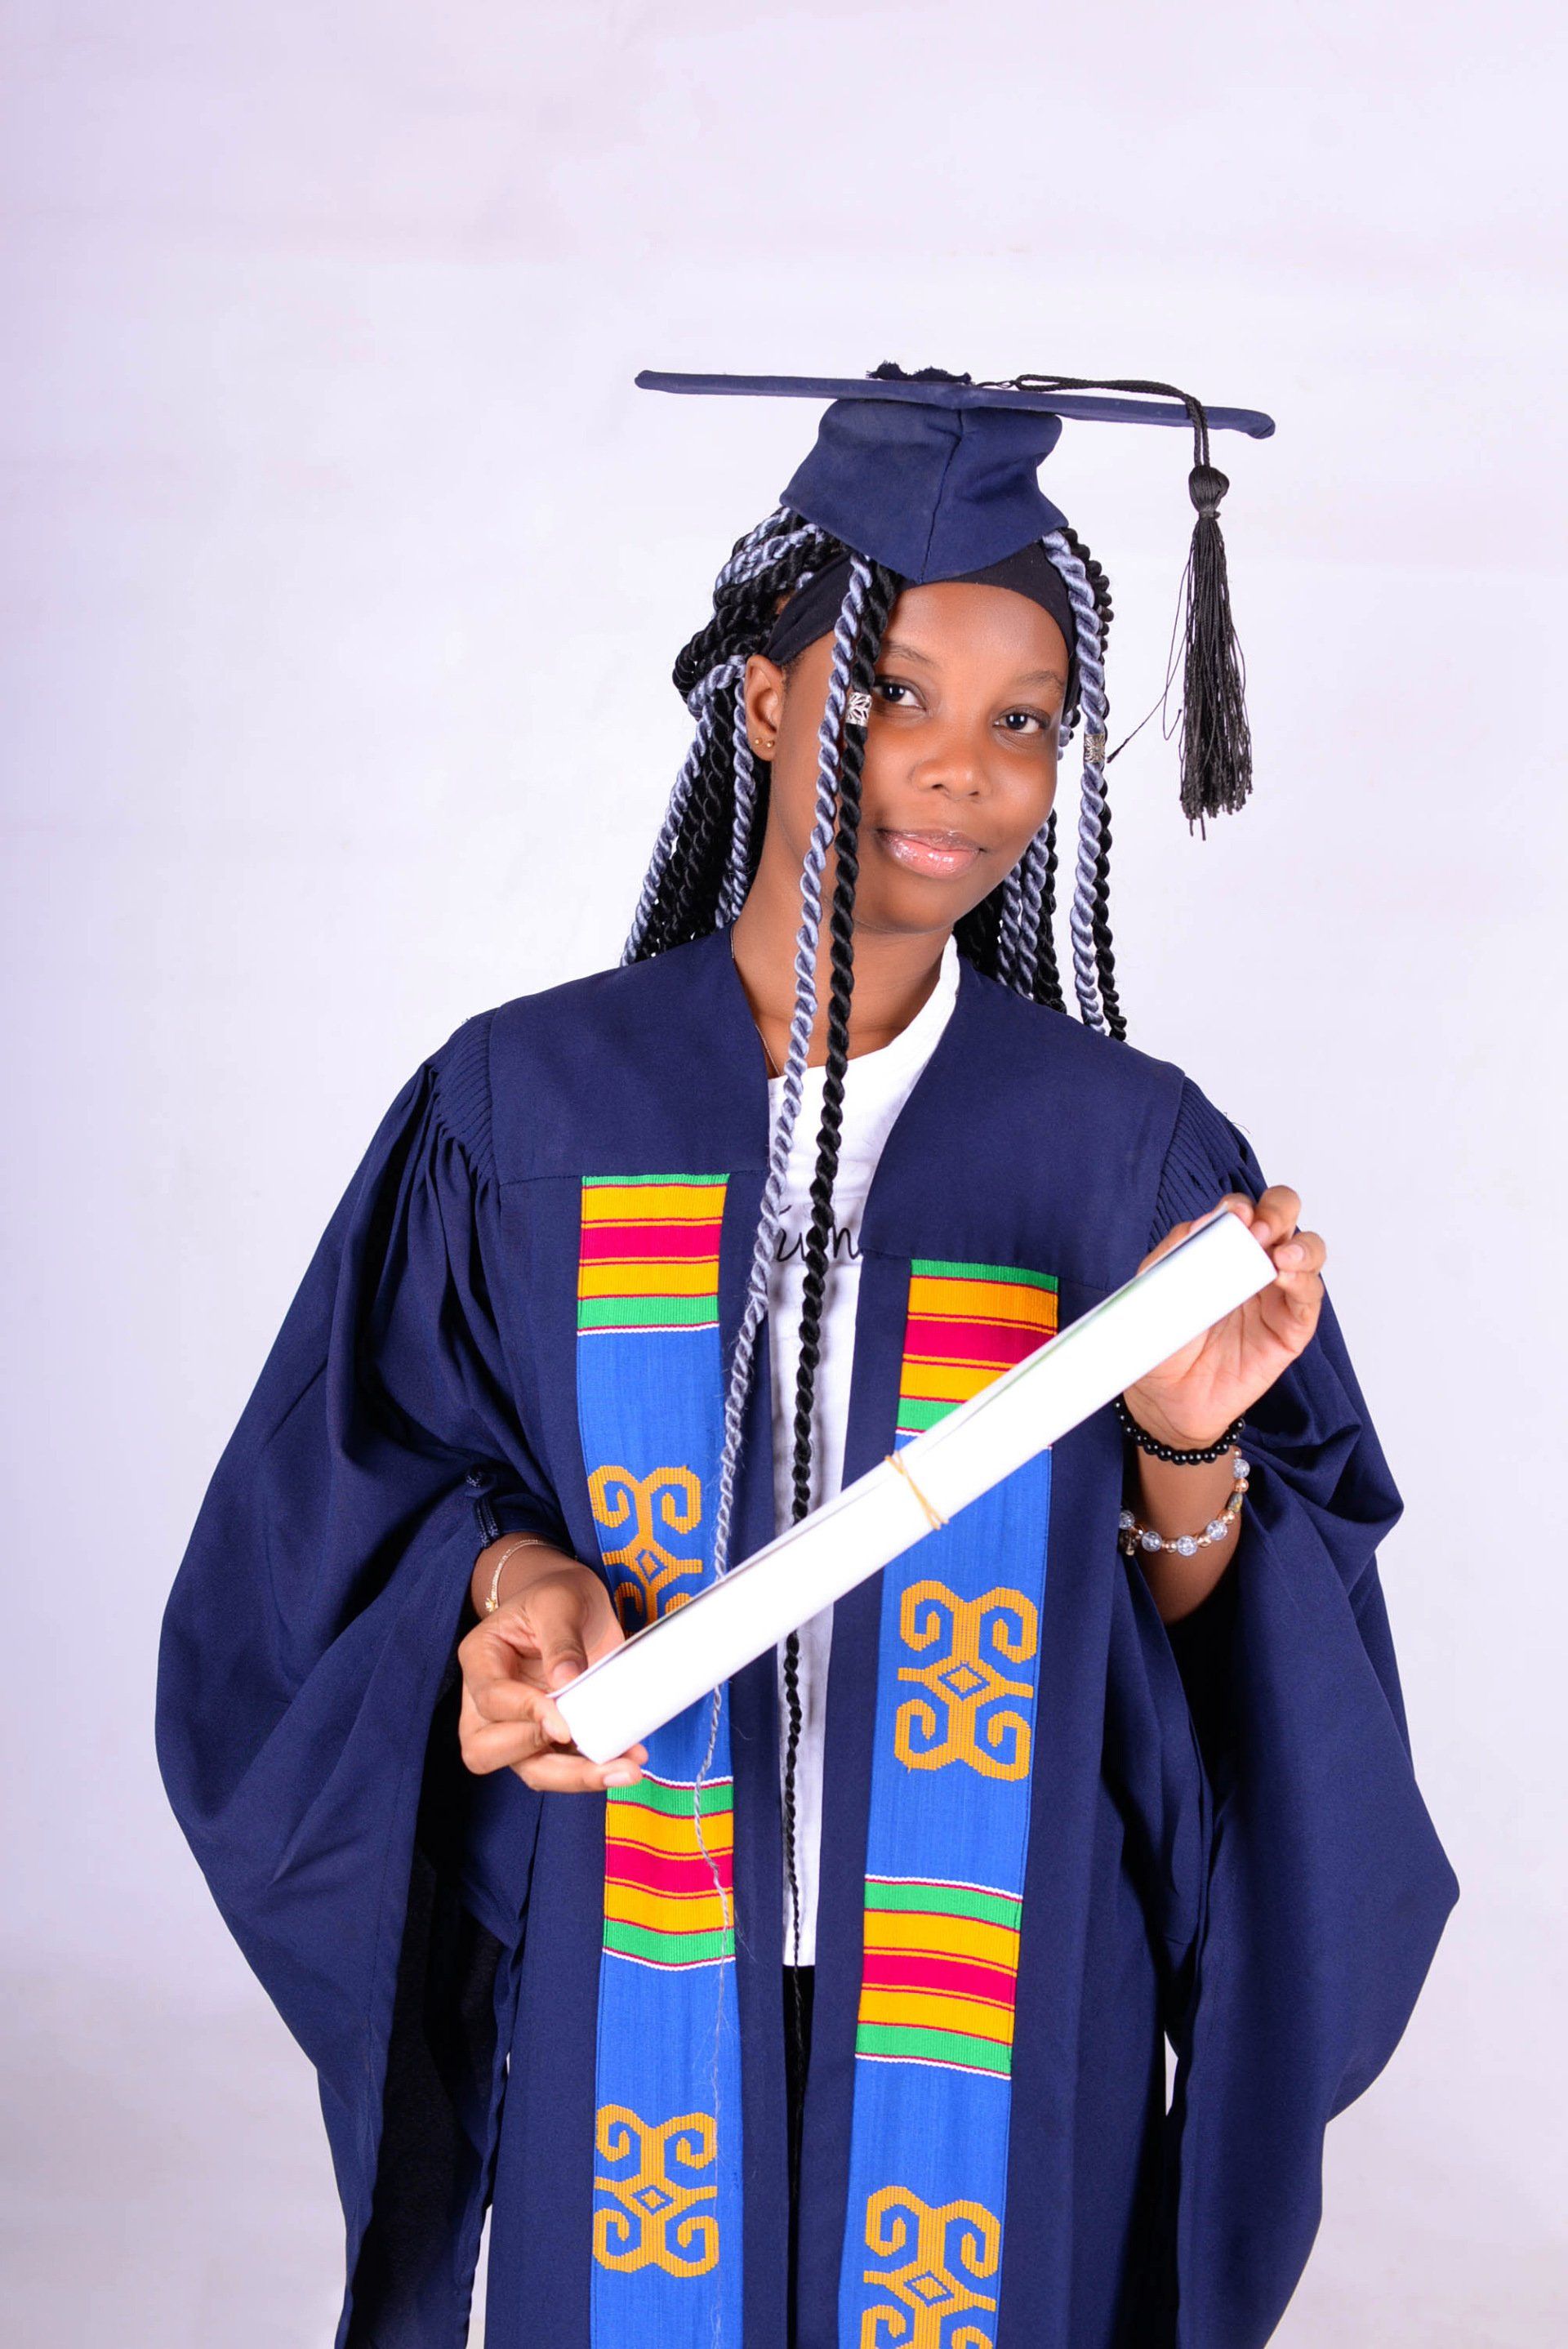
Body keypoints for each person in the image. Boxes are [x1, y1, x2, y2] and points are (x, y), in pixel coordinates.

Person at [155, 366, 1458, 2349]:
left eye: (1023, 721)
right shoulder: (522, 1108)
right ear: (763, 701)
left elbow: (1273, 1711)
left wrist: (1189, 1466)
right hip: (628, 1990)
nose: (959, 769)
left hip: (1006, 2018)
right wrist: (506, 1596)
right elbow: (342, 1516)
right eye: (895, 695)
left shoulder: (1130, 1155)